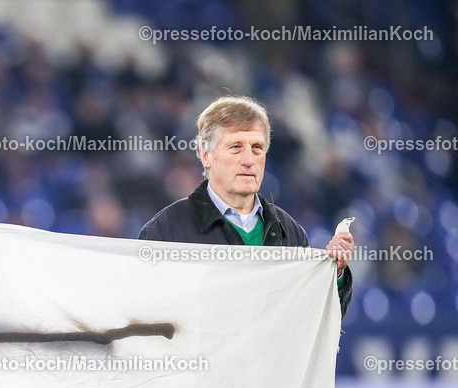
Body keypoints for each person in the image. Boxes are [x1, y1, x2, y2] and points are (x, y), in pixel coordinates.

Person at [138, 95, 354, 316]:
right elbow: (145, 317)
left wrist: (335, 275)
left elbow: (311, 319)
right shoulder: (165, 231)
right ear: (206, 156)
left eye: (257, 148)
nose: (249, 160)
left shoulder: (289, 232)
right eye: (235, 147)